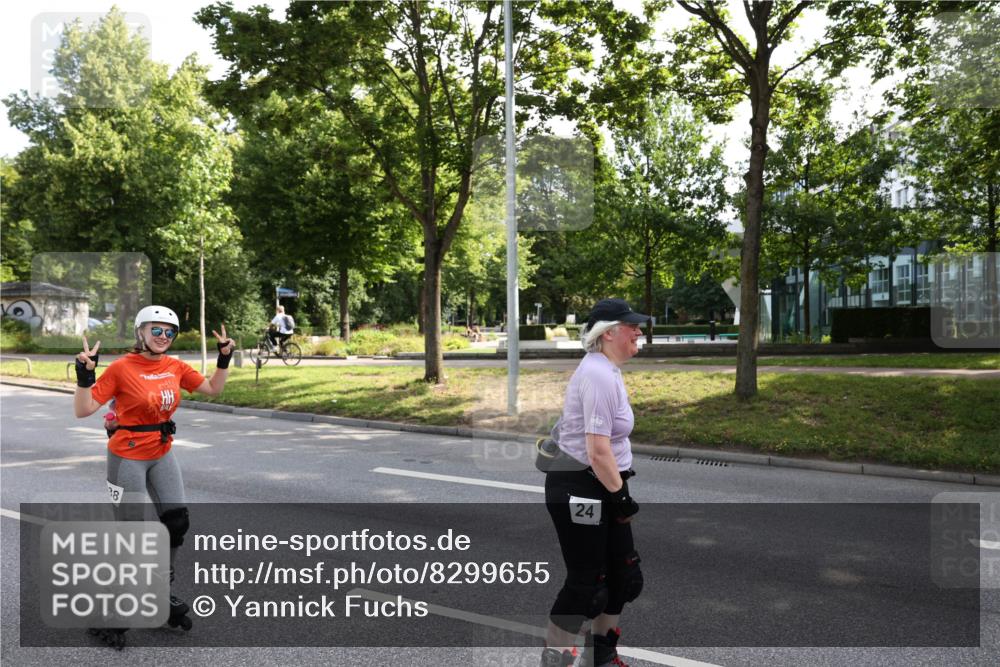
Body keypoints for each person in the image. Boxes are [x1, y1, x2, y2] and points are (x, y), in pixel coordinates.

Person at [73, 305, 235, 649]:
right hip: (126, 457)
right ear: (141, 332)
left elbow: (212, 390)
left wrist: (223, 359)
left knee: (176, 523)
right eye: (156, 330)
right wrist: (85, 377)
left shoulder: (174, 367)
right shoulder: (121, 368)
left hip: (161, 452)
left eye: (169, 332)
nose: (163, 337)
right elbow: (83, 410)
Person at [539, 298, 648, 667]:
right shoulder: (598, 374)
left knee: (623, 576)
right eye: (632, 326)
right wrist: (619, 496)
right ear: (609, 333)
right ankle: (556, 660)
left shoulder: (607, 369)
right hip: (579, 486)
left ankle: (602, 656)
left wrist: (618, 490)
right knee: (588, 583)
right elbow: (597, 449)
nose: (639, 331)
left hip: (603, 481)